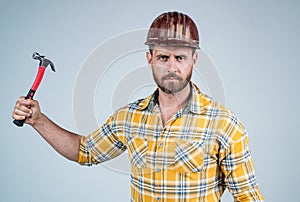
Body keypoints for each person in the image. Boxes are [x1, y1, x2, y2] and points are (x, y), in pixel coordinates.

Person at [12, 11, 264, 201]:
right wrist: (39, 120)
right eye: (163, 57)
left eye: (180, 58)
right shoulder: (130, 117)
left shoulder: (224, 124)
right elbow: (85, 151)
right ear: (150, 58)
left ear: (194, 60)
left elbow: (248, 197)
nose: (172, 67)